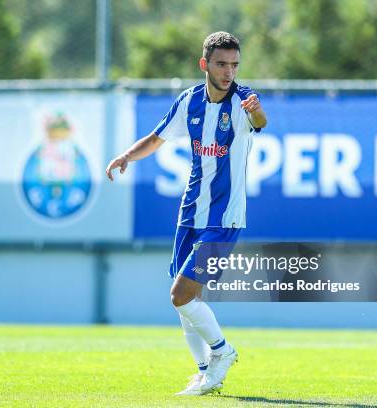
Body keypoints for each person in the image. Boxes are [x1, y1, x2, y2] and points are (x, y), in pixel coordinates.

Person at [106, 31, 267, 396]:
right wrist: (126, 157)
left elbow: (260, 122)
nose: (229, 72)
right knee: (187, 302)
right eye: (222, 64)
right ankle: (203, 372)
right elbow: (157, 137)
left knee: (180, 295)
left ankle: (223, 353)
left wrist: (257, 111)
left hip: (224, 219)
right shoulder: (189, 101)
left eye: (234, 65)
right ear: (204, 65)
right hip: (190, 213)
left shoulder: (243, 101)